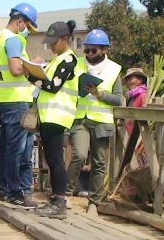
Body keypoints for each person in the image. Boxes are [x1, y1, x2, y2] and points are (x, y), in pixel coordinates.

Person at [26, 21, 83, 219]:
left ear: (64, 39)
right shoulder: (57, 59)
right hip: (49, 115)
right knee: (51, 159)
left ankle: (60, 201)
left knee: (56, 160)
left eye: (53, 42)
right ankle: (55, 198)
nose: (50, 45)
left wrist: (31, 76)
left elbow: (52, 86)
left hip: (58, 116)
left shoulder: (69, 60)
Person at [65, 29, 123, 210]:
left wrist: (100, 94)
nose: (89, 54)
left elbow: (119, 99)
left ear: (104, 50)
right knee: (79, 155)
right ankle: (64, 194)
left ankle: (94, 202)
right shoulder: (76, 65)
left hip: (102, 122)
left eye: (93, 50)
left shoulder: (114, 69)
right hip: (80, 119)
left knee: (99, 163)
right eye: (87, 50)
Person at [0, 2, 38, 208]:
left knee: (5, 147)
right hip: (16, 99)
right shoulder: (14, 40)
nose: (27, 31)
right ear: (20, 22)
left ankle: (1, 189)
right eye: (27, 26)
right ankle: (15, 191)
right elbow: (15, 69)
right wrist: (33, 68)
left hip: (2, 99)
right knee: (17, 149)